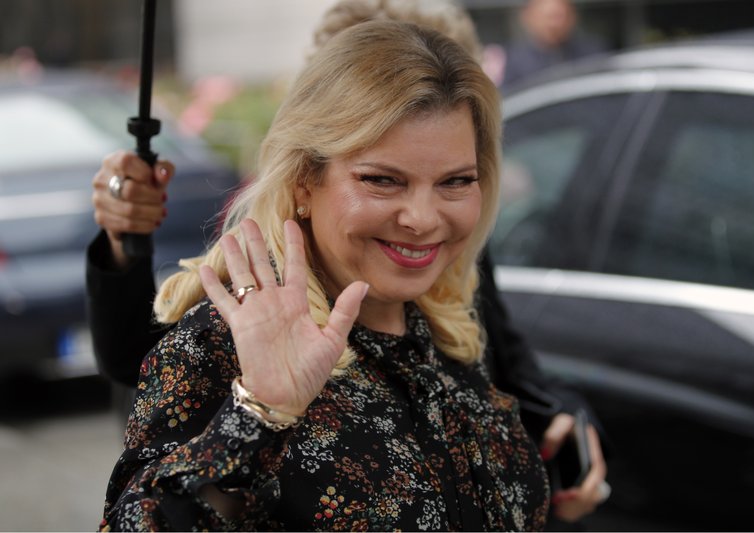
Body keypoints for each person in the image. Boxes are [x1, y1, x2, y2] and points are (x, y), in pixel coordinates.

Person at [88, 0, 610, 525]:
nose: (423, 219)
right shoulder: (226, 345)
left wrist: (561, 439)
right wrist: (260, 413)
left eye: (455, 181)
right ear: (303, 181)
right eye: (382, 180)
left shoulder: (447, 324)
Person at [501, 0, 606, 89]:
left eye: (560, 16)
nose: (554, 24)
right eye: (548, 17)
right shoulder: (516, 59)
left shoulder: (592, 53)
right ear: (528, 17)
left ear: (572, 17)